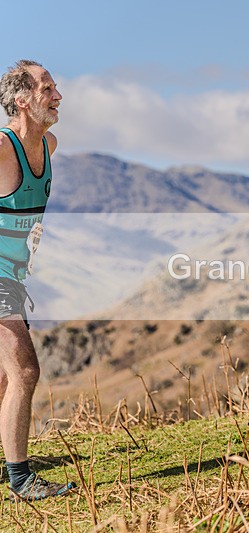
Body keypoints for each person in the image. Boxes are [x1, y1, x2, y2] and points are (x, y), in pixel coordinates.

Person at [0, 60, 74, 501]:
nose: (58, 95)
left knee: (7, 379)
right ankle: (22, 479)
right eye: (48, 88)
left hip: (14, 277)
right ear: (23, 100)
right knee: (25, 370)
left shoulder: (49, 144)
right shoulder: (2, 149)